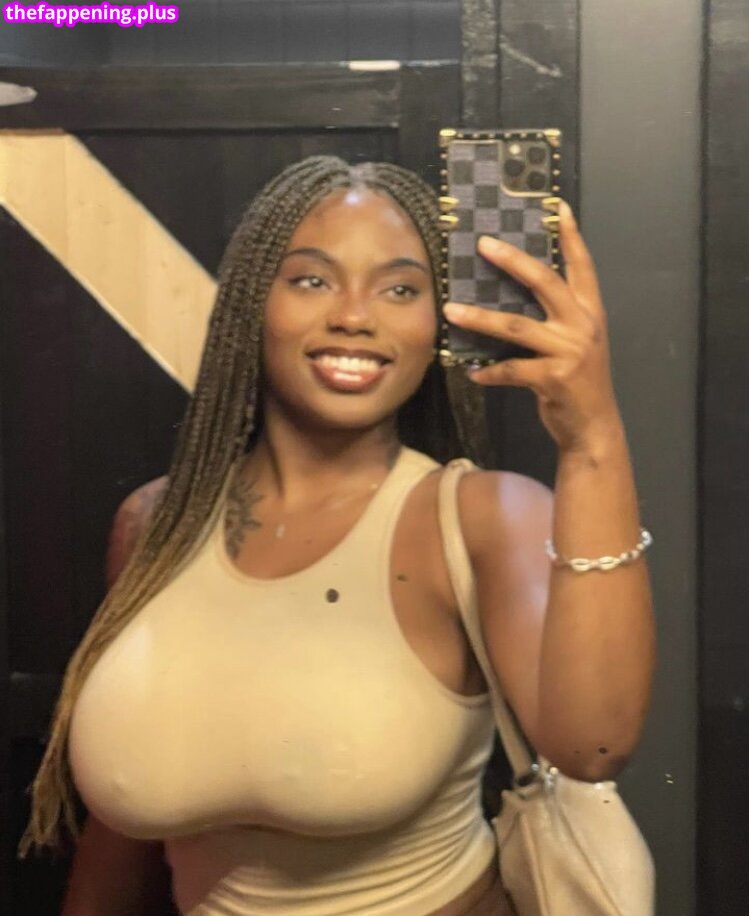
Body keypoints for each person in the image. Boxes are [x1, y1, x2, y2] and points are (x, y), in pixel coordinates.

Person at [20, 156, 655, 915]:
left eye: (400, 289)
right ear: (252, 303)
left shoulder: (482, 520)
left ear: (437, 325)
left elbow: (592, 748)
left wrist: (591, 440)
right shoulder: (157, 523)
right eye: (312, 280)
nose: (355, 315)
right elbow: (121, 838)